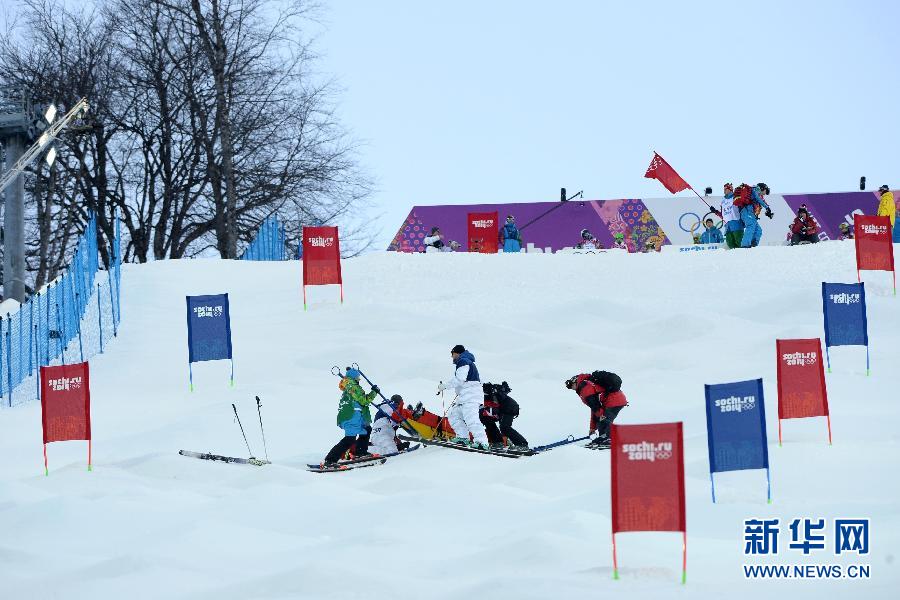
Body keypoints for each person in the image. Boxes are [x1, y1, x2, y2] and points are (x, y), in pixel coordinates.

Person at [322, 368, 380, 466]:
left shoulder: (349, 386)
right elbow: (363, 401)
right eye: (358, 377)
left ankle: (360, 452)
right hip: (351, 417)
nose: (359, 379)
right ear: (354, 377)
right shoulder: (352, 387)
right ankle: (330, 460)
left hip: (356, 417)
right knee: (349, 439)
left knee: (367, 430)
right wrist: (374, 392)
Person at [437, 345, 490, 449]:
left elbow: (459, 379)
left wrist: (445, 386)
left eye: (452, 354)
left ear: (457, 353)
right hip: (465, 397)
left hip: (470, 397)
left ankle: (482, 442)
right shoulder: (467, 362)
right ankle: (463, 438)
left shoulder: (463, 361)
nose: (452, 357)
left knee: (472, 420)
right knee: (454, 415)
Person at [564, 370, 628, 448]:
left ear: (575, 382)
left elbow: (595, 406)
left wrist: (601, 416)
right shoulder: (587, 384)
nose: (572, 389)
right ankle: (604, 438)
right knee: (601, 418)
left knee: (604, 419)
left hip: (614, 400)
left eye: (571, 386)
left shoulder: (584, 388)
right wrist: (592, 428)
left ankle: (608, 439)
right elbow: (594, 409)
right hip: (616, 399)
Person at [479, 381, 529, 451]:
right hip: (502, 409)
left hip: (509, 407)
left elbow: (494, 408)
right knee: (487, 421)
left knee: (504, 427)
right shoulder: (484, 396)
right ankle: (498, 442)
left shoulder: (490, 393)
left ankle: (522, 444)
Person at [736, 182, 773, 248]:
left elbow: (762, 202)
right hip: (746, 212)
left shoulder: (758, 195)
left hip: (751, 214)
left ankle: (753, 244)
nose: (765, 193)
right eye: (765, 191)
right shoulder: (755, 189)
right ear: (762, 188)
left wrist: (768, 211)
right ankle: (745, 245)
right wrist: (767, 207)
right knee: (750, 226)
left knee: (758, 230)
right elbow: (758, 198)